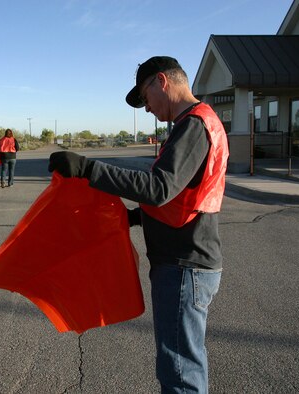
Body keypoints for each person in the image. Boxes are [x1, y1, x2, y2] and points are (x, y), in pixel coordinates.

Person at [48, 56, 229, 393]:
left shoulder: (194, 125)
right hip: (187, 262)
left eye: (145, 99)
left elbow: (160, 188)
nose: (146, 109)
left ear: (162, 81)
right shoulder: (195, 123)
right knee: (183, 362)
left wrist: (88, 169)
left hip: (185, 265)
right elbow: (180, 197)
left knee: (179, 370)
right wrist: (130, 216)